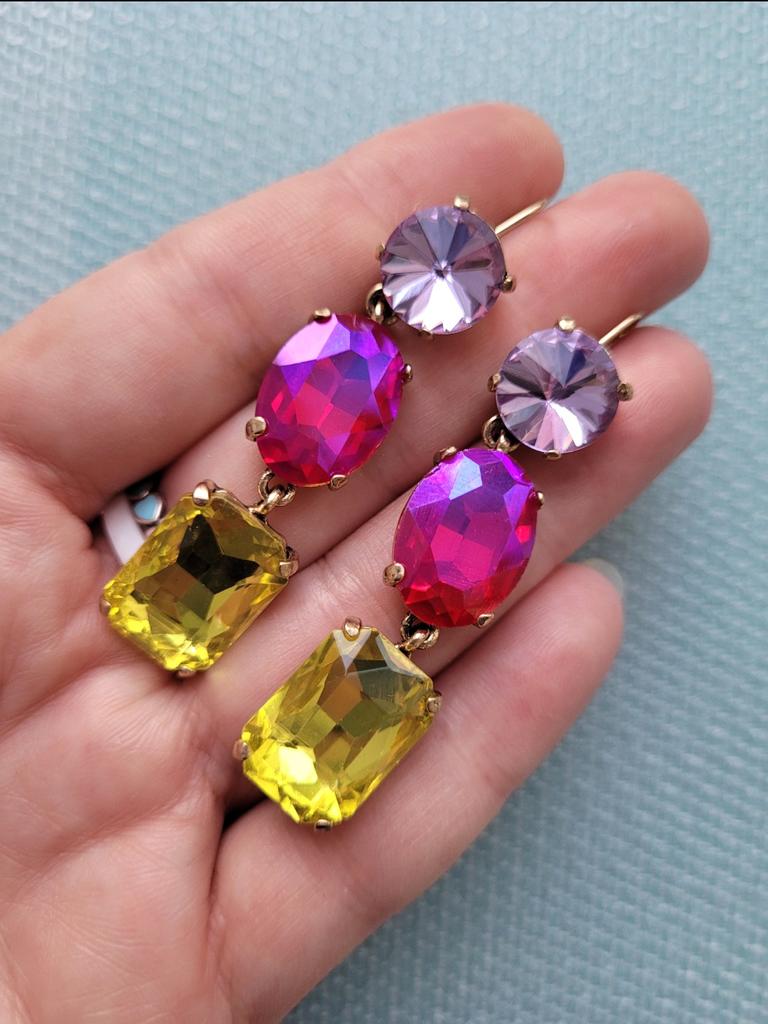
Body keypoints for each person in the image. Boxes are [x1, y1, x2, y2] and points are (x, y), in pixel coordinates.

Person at [0, 104, 711, 1023]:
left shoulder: (482, 483)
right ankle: (177, 627)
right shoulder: (366, 367)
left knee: (353, 615)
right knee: (275, 536)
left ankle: (248, 699)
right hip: (298, 513)